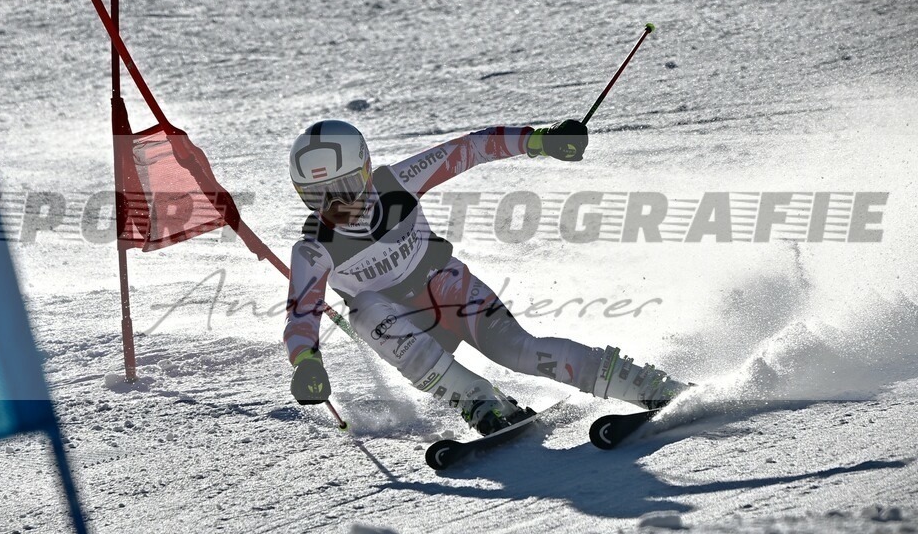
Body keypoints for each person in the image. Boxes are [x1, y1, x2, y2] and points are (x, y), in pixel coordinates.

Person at [283, 119, 688, 435]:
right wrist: (306, 362)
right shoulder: (313, 249)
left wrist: (539, 140)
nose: (337, 206)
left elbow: (470, 148)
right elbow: (301, 315)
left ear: (367, 171)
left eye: (347, 188)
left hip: (447, 287)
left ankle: (645, 385)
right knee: (365, 309)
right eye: (319, 197)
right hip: (401, 326)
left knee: (520, 352)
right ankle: (476, 398)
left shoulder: (398, 183)